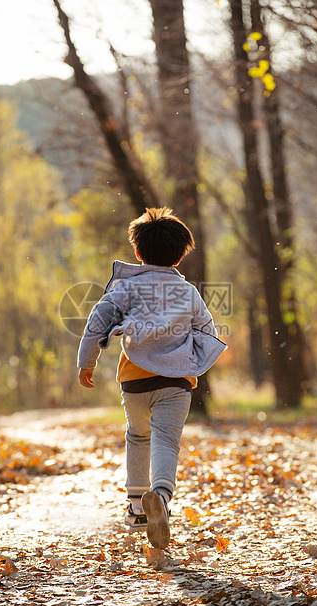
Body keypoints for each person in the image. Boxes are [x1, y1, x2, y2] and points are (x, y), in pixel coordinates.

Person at [77, 207, 227, 549]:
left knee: (138, 435)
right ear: (180, 255)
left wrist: (87, 360)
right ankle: (160, 494)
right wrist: (193, 359)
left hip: (135, 379)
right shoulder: (187, 293)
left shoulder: (128, 288)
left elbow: (99, 318)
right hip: (176, 382)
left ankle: (136, 507)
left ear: (138, 252)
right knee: (166, 439)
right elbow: (207, 329)